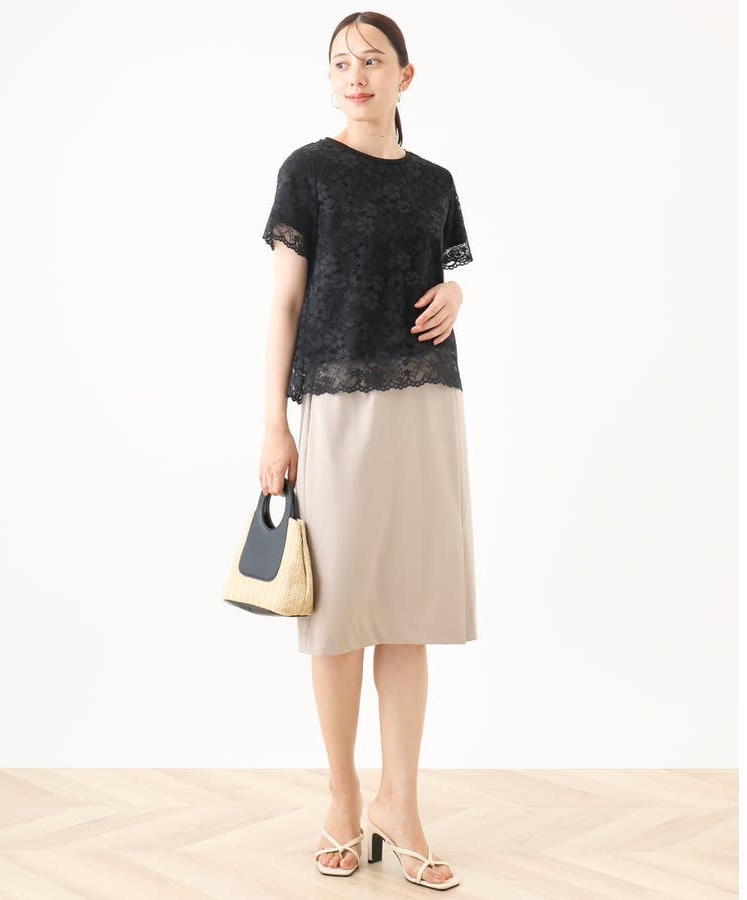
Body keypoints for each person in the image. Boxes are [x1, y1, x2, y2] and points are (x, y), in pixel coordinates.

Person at [258, 12, 475, 891]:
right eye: (342, 62)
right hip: (337, 406)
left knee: (408, 612)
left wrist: (458, 293)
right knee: (340, 614)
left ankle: (401, 804)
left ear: (404, 76)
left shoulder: (435, 183)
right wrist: (273, 425)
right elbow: (285, 303)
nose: (356, 75)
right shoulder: (307, 171)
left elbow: (431, 279)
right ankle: (344, 800)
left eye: (373, 61)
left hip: (426, 403)